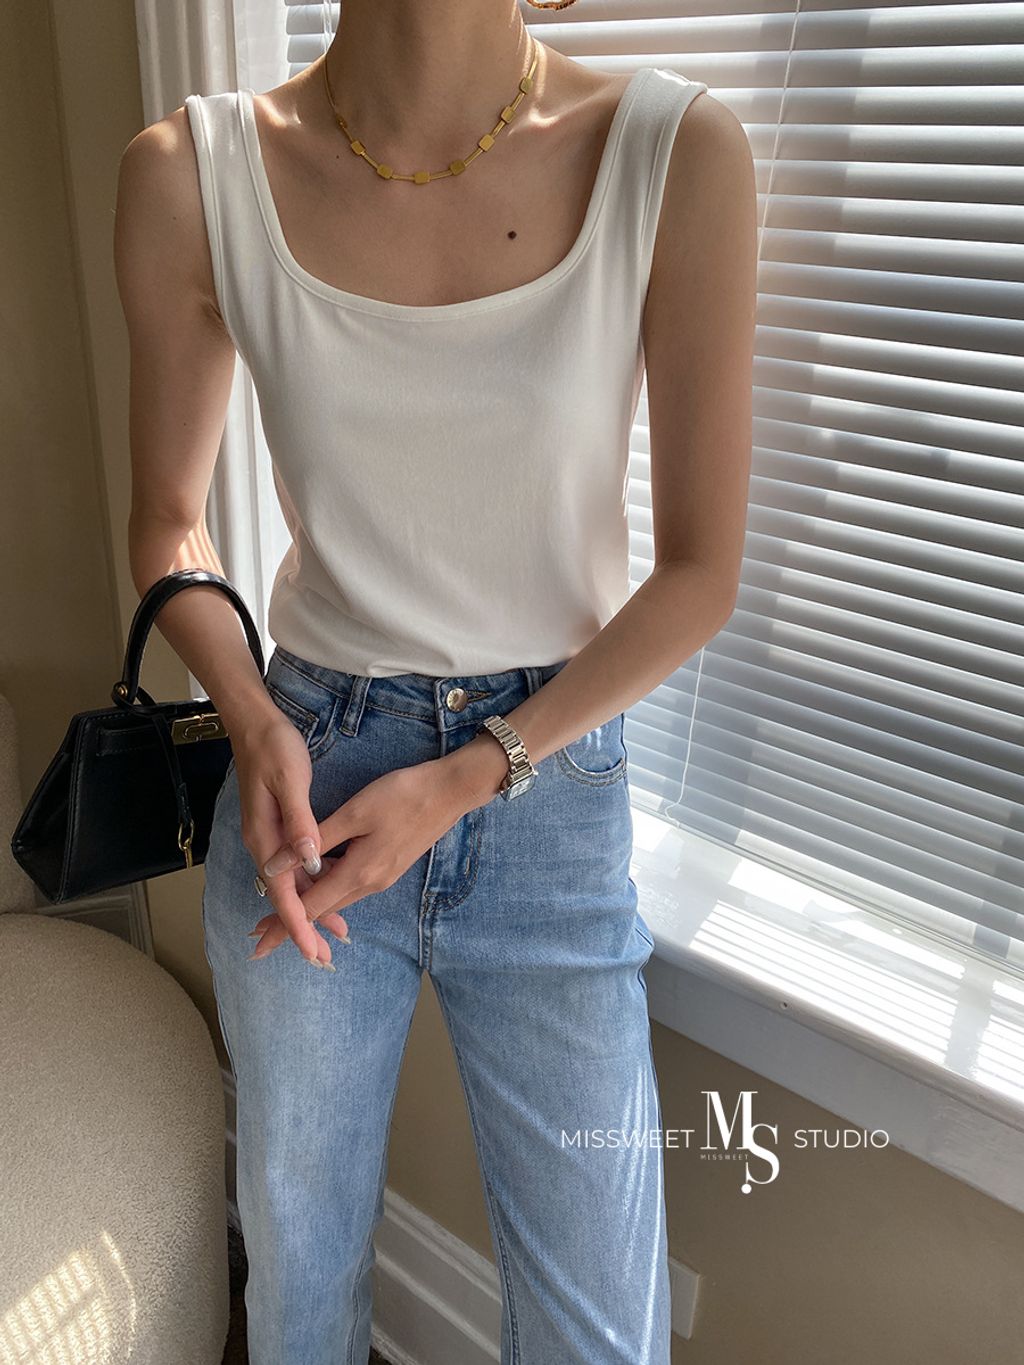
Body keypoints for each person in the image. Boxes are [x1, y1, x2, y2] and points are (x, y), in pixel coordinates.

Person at [114, 0, 755, 1360]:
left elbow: (702, 572)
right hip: (306, 782)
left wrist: (471, 774)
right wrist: (250, 713)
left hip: (546, 792)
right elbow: (168, 520)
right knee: (297, 1293)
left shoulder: (671, 153)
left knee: (601, 1333)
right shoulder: (193, 174)